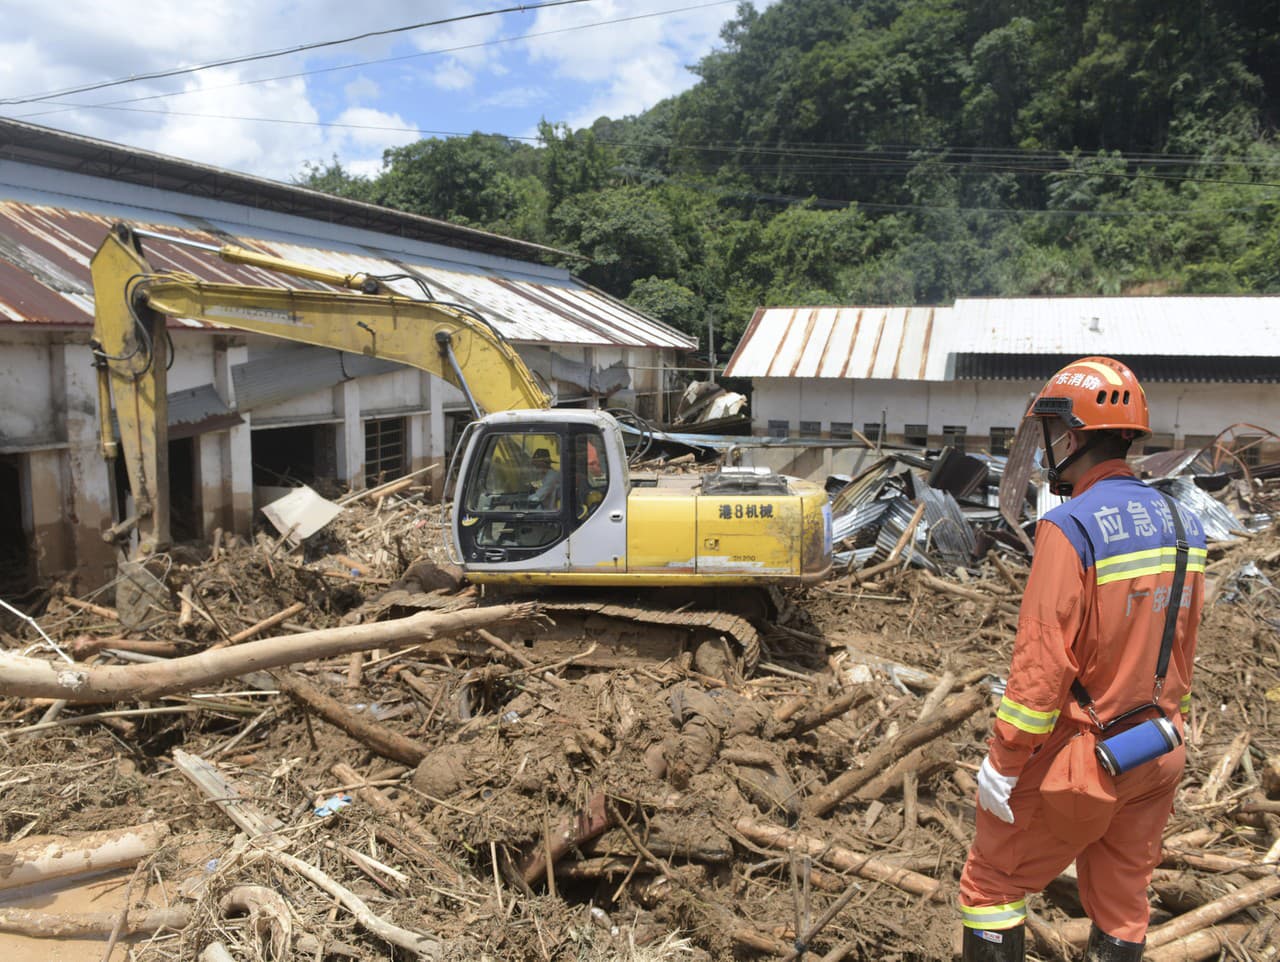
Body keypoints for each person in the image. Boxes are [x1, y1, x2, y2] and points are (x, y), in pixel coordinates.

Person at [958, 357, 1207, 961]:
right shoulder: (1185, 524)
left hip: (1084, 763)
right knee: (1123, 899)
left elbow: (1042, 663)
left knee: (990, 886)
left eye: (1053, 436)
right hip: (1159, 750)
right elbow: (1183, 647)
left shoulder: (1068, 527)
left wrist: (1005, 759)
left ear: (1072, 437)